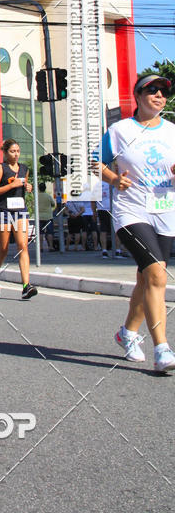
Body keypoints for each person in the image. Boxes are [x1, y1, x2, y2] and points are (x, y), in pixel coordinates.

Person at [101, 73, 175, 373]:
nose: (158, 95)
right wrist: (115, 178)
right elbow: (95, 162)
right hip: (131, 211)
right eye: (152, 90)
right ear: (138, 96)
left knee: (146, 279)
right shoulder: (119, 130)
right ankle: (162, 348)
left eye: (164, 92)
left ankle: (127, 333)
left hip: (165, 209)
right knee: (158, 275)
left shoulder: (172, 130)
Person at [0, 139, 37, 299]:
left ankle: (26, 286)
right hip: (2, 211)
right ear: (5, 152)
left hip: (20, 211)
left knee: (23, 246)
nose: (16, 154)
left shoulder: (24, 168)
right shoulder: (0, 168)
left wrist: (27, 187)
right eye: (12, 151)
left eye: (18, 151)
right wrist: (11, 185)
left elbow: (24, 185)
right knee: (3, 249)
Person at [37, 182, 56, 252]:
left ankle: (40, 247)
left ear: (38, 188)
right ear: (45, 188)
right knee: (50, 232)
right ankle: (50, 247)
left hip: (39, 217)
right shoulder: (48, 196)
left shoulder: (37, 196)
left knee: (40, 233)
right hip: (48, 217)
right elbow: (53, 204)